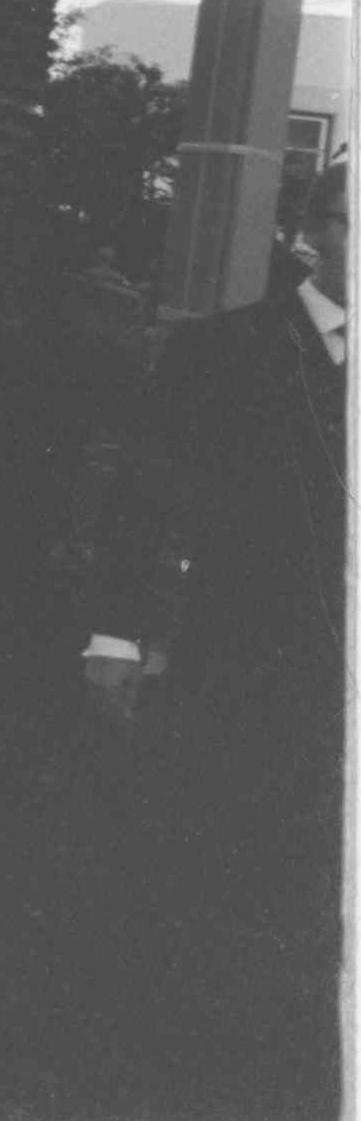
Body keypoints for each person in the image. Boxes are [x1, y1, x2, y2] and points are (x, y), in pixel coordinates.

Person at [70, 159, 349, 748]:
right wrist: (116, 637)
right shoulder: (221, 348)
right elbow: (142, 495)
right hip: (238, 657)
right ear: (313, 230)